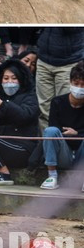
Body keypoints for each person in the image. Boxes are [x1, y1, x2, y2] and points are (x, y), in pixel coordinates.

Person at [0, 59, 39, 186]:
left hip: (22, 149)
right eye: (6, 78)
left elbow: (24, 116)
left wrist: (3, 105)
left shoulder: (30, 96)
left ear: (21, 79)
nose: (9, 82)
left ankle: (3, 173)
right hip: (3, 144)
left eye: (14, 78)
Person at [40, 62, 84, 190]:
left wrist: (77, 134)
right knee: (50, 131)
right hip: (64, 152)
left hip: (81, 152)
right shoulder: (58, 102)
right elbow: (54, 128)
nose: (80, 88)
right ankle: (52, 175)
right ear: (70, 82)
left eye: (83, 85)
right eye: (76, 84)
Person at [35, 28, 84, 129]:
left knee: (66, 107)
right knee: (44, 109)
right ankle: (46, 142)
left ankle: (65, 142)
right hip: (44, 60)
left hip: (69, 61)